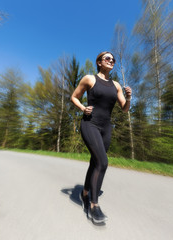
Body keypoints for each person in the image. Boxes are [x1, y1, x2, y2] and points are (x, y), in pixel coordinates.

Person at [70, 51, 132, 223]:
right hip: (90, 124)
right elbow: (74, 97)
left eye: (113, 60)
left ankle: (84, 194)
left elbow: (124, 109)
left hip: (106, 128)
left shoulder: (116, 85)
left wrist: (128, 97)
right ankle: (93, 206)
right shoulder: (89, 79)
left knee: (95, 162)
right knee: (103, 162)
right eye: (107, 58)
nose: (111, 61)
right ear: (99, 62)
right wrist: (83, 108)